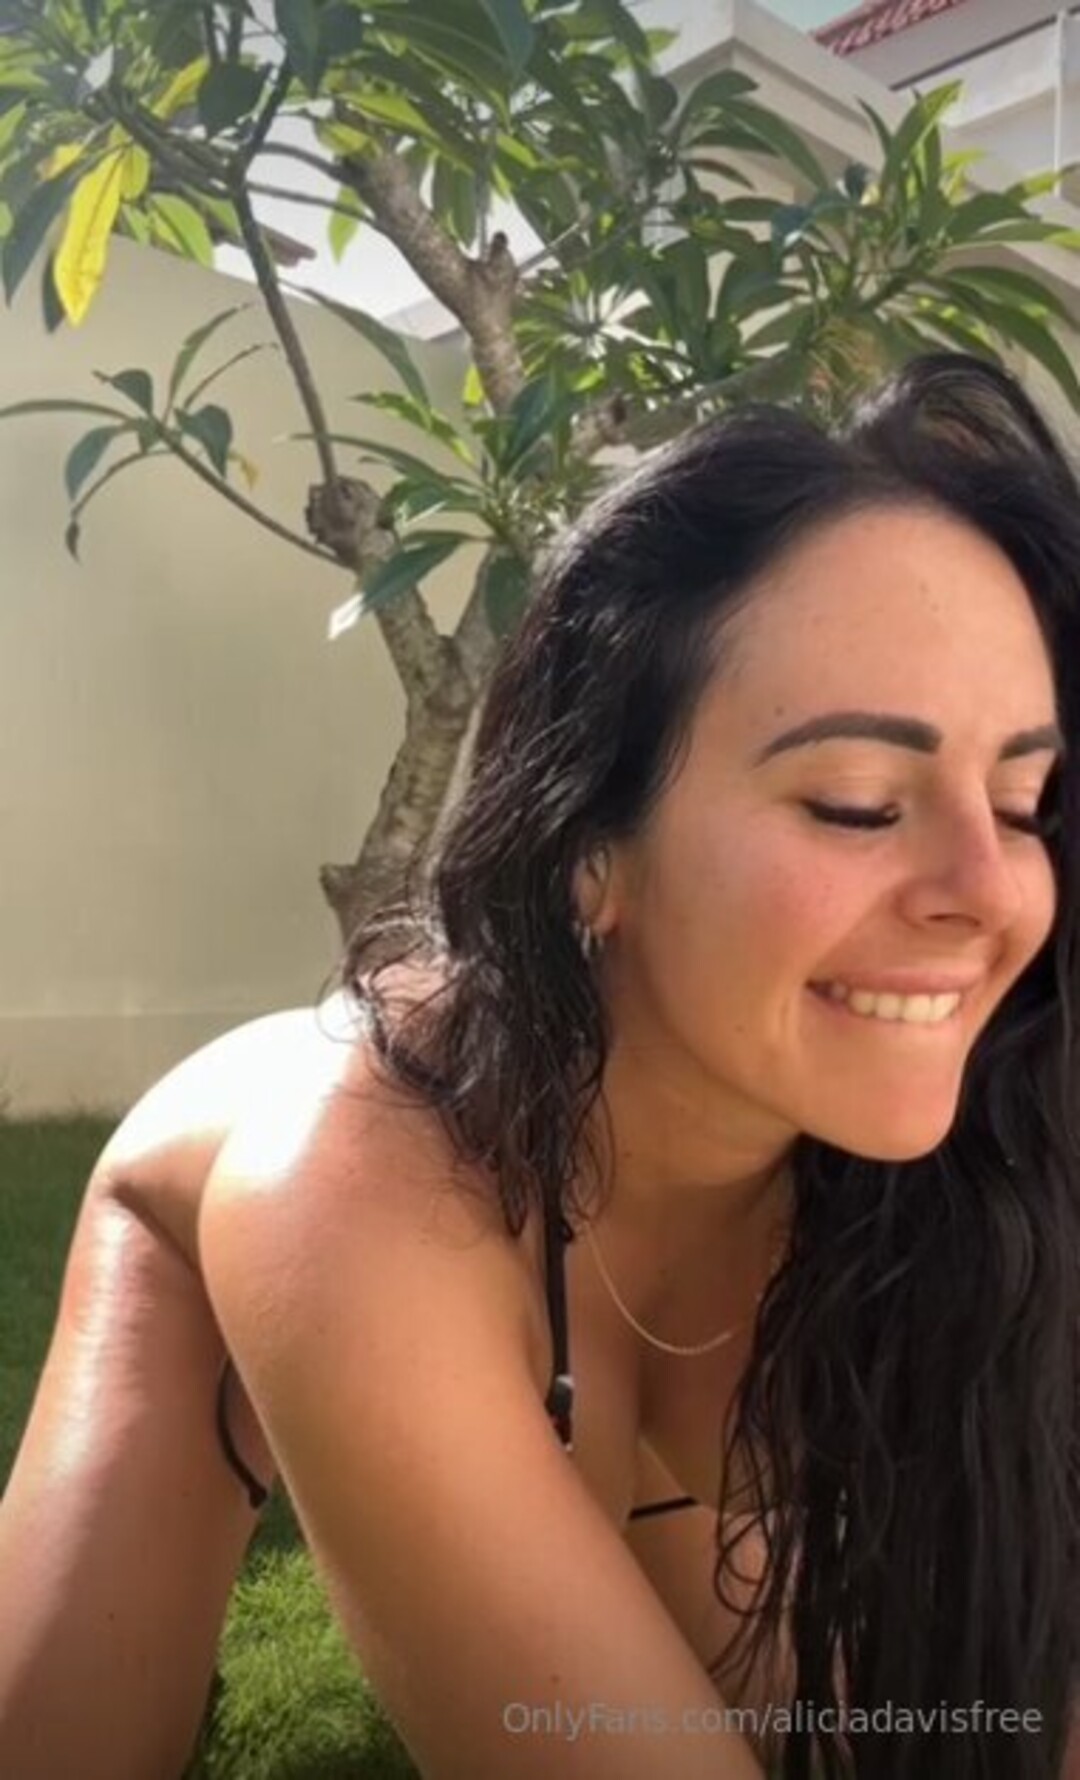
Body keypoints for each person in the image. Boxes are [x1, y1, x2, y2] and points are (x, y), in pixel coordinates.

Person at [1, 352, 1078, 1780]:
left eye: (1023, 799)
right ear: (590, 851)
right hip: (261, 1209)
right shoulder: (353, 1180)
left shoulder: (994, 1127)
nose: (990, 892)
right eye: (857, 802)